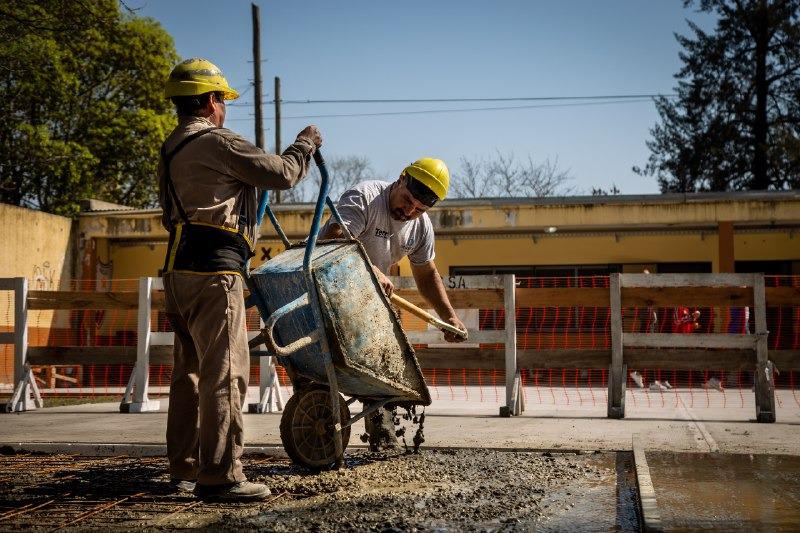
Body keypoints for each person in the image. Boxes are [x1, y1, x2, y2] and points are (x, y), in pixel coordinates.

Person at [159, 58, 321, 500]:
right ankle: (222, 475)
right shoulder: (217, 142)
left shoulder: (171, 147)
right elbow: (282, 174)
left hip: (177, 273)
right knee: (225, 373)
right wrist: (303, 145)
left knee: (189, 375)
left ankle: (185, 466)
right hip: (215, 272)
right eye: (222, 101)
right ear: (212, 101)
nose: (224, 109)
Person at [319, 158, 466, 448]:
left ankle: (382, 426)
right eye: (407, 200)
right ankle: (319, 419)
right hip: (328, 288)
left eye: (419, 208)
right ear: (401, 179)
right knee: (323, 367)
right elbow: (332, 241)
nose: (409, 211)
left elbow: (426, 276)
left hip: (367, 300)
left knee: (388, 351)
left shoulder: (420, 227)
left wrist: (448, 316)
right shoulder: (365, 197)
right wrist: (371, 270)